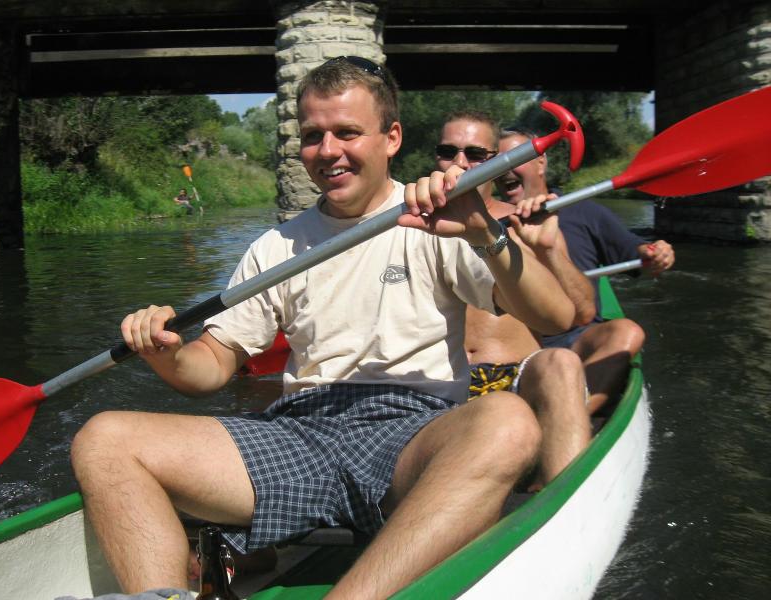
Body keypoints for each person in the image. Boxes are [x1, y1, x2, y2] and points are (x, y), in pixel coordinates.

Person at [68, 57, 575, 600]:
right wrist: (166, 352)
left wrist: (483, 231)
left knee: (507, 422)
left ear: (391, 138)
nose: (328, 150)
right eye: (313, 136)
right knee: (104, 439)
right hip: (301, 431)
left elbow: (555, 318)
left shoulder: (441, 220)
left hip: (413, 431)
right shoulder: (277, 247)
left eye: (347, 133)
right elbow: (210, 367)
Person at [436, 111, 593, 486]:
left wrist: (548, 250)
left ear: (497, 162)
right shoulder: (412, 222)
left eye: (476, 154)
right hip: (440, 382)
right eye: (448, 152)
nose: (461, 163)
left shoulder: (526, 222)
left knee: (562, 362)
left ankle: (567, 500)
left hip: (516, 373)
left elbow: (582, 313)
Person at [496, 126, 676, 413]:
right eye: (495, 162)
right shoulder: (486, 223)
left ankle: (576, 413)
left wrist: (655, 253)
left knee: (626, 332)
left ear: (540, 163)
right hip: (519, 343)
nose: (504, 169)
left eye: (515, 158)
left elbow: (636, 251)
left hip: (577, 338)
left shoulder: (585, 212)